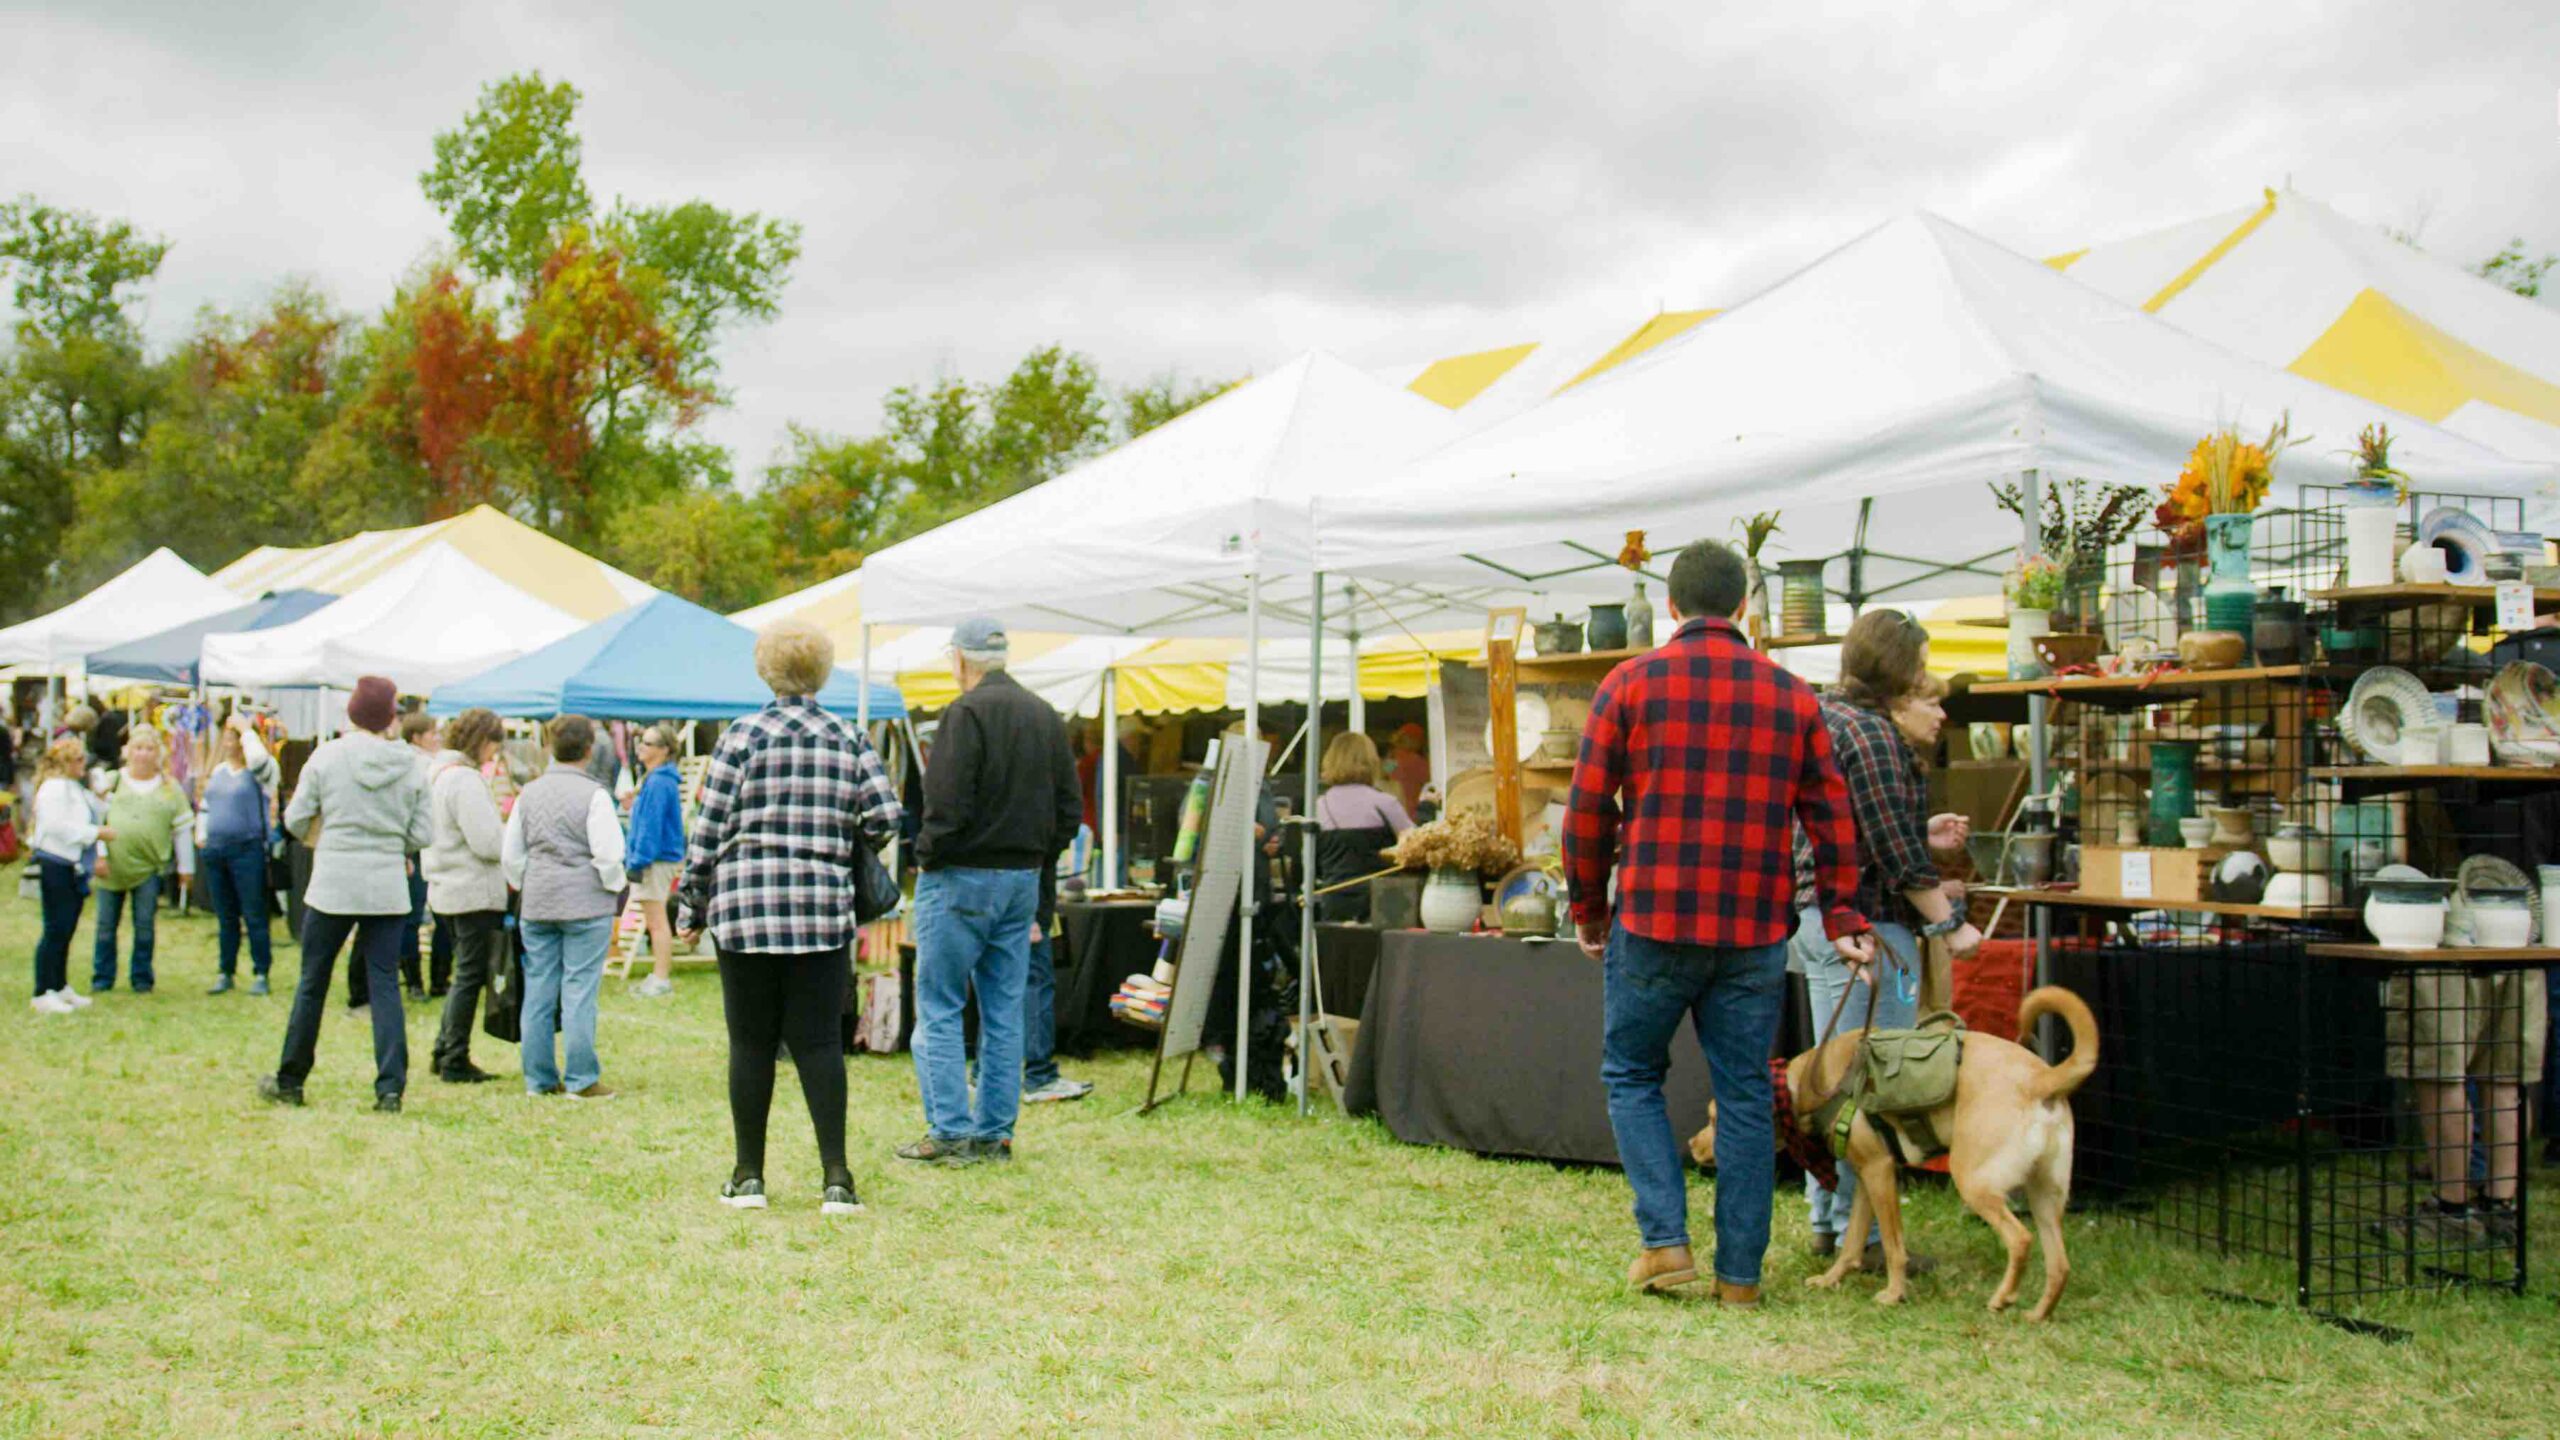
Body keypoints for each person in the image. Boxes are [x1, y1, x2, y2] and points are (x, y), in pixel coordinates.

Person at [1564, 539, 1875, 1305]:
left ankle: (1666, 1243)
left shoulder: (1628, 683)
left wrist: (1590, 908)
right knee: (1742, 1093)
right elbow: (1834, 818)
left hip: (1653, 918)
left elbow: (1585, 811)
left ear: (1671, 607)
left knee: (1633, 1074)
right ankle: (1740, 1278)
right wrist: (1839, 911)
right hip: (1754, 931)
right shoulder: (1795, 696)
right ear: (1743, 607)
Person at [676, 619, 902, 1214]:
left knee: (750, 1044)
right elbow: (885, 816)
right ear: (823, 671)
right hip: (823, 910)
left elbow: (709, 830)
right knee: (820, 1044)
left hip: (745, 907)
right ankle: (837, 1179)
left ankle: (748, 1176)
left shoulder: (741, 736)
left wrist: (690, 901)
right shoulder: (848, 737)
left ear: (765, 669)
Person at [1788, 615, 1979, 1267]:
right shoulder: (1869, 736)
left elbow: (1858, 831)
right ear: (1898, 666)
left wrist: (1917, 833)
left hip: (1824, 921)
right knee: (1869, 1086)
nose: (1926, 675)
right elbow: (1892, 853)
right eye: (1921, 663)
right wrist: (1948, 925)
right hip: (1865, 927)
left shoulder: (1829, 718)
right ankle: (1859, 1236)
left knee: (1831, 1079)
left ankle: (1828, 1220)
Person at [901, 617, 1080, 1167]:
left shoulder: (965, 713)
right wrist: (1035, 859)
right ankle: (996, 1134)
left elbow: (946, 802)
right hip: (1022, 878)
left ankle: (951, 1129)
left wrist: (925, 854)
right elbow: (1068, 811)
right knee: (1004, 1009)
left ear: (959, 659)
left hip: (961, 875)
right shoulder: (1044, 715)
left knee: (940, 1004)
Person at [261, 677, 434, 1112]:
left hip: (334, 881)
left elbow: (295, 818)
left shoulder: (328, 756)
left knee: (312, 983)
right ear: (390, 716)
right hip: (386, 884)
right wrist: (396, 846)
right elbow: (422, 831)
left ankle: (291, 1078)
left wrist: (327, 834)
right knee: (384, 987)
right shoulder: (412, 765)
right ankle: (390, 1087)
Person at [502, 715, 626, 1103]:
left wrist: (528, 882)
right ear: (590, 750)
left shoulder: (529, 794)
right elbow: (608, 854)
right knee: (579, 989)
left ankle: (538, 1078)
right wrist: (613, 886)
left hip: (539, 900)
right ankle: (581, 1078)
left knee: (539, 988)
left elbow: (511, 854)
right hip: (585, 902)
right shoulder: (595, 795)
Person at [424, 707, 510, 1085]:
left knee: (464, 973)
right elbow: (488, 842)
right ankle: (454, 1056)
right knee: (469, 976)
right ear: (483, 740)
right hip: (471, 889)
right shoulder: (465, 780)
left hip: (446, 885)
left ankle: (444, 1047)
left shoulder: (438, 774)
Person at [91, 728, 193, 995]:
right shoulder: (112, 782)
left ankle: (142, 978)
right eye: (138, 748)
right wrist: (99, 855)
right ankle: (102, 977)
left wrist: (186, 868)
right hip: (112, 866)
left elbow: (182, 829)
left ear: (158, 754)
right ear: (128, 752)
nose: (143, 754)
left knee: (144, 924)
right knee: (105, 925)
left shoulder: (171, 788)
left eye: (149, 749)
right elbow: (96, 821)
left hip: (149, 867)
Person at [200, 715, 281, 996]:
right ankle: (226, 970)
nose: (228, 743)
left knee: (254, 913)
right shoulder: (219, 771)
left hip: (248, 850)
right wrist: (202, 835)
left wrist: (247, 730)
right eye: (227, 737)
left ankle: (261, 971)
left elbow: (258, 760)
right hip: (216, 848)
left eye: (234, 737)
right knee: (226, 916)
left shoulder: (263, 772)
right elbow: (206, 805)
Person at [28, 738, 108, 1014]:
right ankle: (42, 989)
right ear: (65, 763)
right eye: (78, 761)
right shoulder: (53, 789)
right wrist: (94, 834)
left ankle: (59, 984)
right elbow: (57, 826)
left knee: (68, 926)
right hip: (56, 861)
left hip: (73, 863)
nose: (83, 767)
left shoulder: (75, 788)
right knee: (55, 926)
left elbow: (94, 813)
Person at [1312, 731, 1414, 922]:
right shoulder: (1384, 803)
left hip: (1335, 900)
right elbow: (1414, 846)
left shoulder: (1319, 806)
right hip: (1384, 904)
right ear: (1371, 762)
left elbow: (1308, 858)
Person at [1021, 843, 1094, 1105]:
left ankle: (984, 1072)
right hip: (1027, 881)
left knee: (996, 984)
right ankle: (1039, 1077)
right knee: (1036, 981)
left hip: (990, 883)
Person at [623, 723, 686, 999]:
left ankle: (661, 978)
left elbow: (651, 827)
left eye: (647, 743)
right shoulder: (656, 779)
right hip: (655, 857)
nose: (641, 747)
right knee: (654, 920)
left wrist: (637, 861)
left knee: (657, 921)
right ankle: (658, 976)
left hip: (655, 859)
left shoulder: (660, 781)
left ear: (664, 750)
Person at [1386, 722, 1431, 818]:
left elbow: (1384, 776)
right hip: (1413, 812)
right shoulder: (1418, 761)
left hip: (1392, 811)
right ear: (1413, 740)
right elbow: (1433, 782)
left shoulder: (1392, 759)